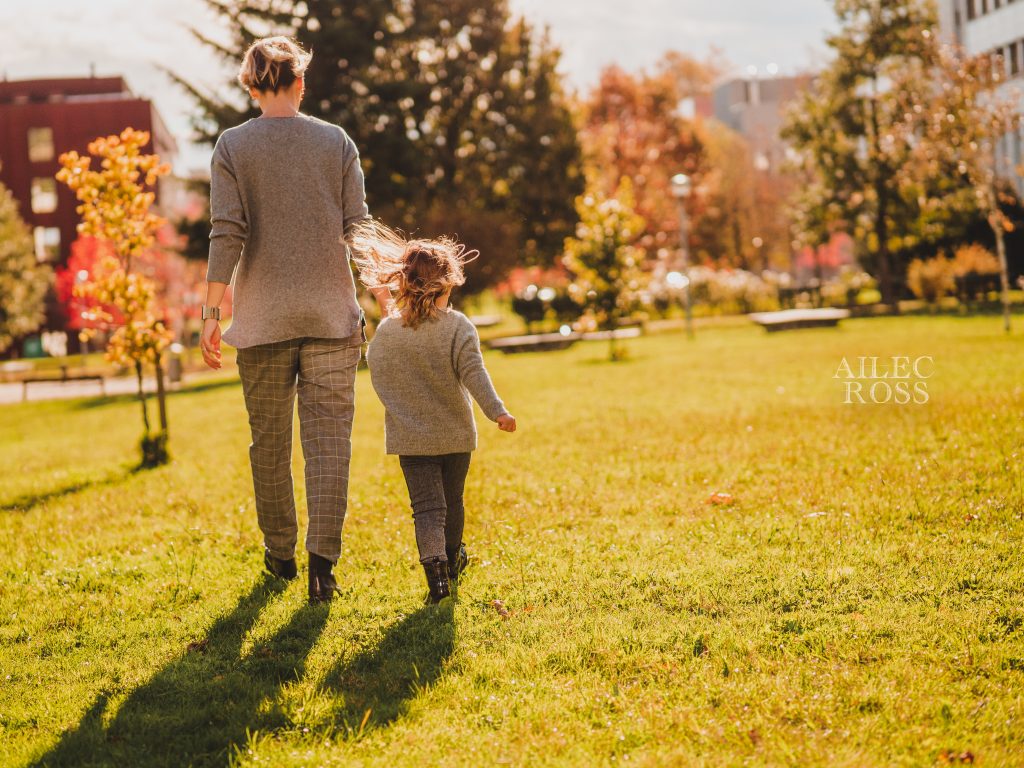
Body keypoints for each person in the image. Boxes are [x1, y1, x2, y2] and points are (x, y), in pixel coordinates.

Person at [200, 36, 391, 603]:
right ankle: (322, 566)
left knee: (269, 445)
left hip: (260, 323)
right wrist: (384, 295)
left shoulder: (233, 146)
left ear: (252, 86)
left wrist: (211, 313)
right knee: (330, 444)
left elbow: (226, 231)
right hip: (333, 316)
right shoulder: (335, 142)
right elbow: (359, 227)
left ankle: (280, 555)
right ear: (301, 82)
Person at [350, 221, 517, 604]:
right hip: (455, 435)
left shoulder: (387, 335)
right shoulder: (457, 327)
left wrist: (401, 411)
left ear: (404, 285)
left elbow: (380, 375)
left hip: (410, 439)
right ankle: (454, 556)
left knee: (426, 508)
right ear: (444, 286)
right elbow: (475, 375)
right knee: (452, 502)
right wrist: (498, 412)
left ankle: (437, 575)